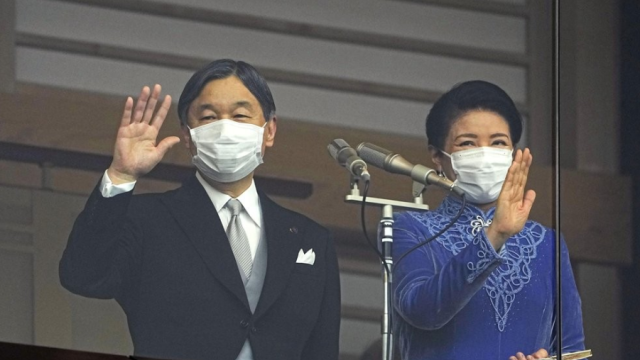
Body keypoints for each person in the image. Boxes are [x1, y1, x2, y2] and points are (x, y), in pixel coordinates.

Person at [59, 59, 340, 360]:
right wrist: (121, 175)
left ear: (269, 130)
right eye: (208, 118)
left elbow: (321, 350)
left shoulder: (311, 240)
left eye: (241, 115)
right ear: (187, 135)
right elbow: (83, 276)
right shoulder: (148, 220)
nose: (225, 128)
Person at [392, 80, 585, 360]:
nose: (484, 154)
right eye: (467, 143)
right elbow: (422, 311)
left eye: (498, 143)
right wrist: (495, 235)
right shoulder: (410, 229)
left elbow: (574, 350)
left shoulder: (548, 243)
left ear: (512, 152)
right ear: (437, 156)